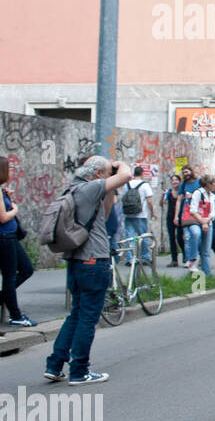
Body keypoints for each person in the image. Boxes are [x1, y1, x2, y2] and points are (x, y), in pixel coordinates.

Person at [43, 156, 131, 385]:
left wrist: (109, 181)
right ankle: (80, 371)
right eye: (106, 172)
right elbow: (127, 175)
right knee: (88, 319)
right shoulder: (90, 188)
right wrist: (118, 165)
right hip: (94, 261)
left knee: (76, 315)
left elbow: (105, 211)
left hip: (76, 261)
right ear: (99, 174)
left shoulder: (73, 188)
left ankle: (54, 365)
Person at [0, 157, 36, 327]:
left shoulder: (1, 190)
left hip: (10, 237)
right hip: (5, 238)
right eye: (10, 168)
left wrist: (9, 199)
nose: (12, 171)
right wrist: (15, 209)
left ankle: (5, 298)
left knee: (27, 269)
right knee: (9, 277)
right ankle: (16, 315)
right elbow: (3, 217)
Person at [119, 165, 154, 264]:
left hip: (129, 214)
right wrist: (152, 212)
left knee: (130, 237)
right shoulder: (145, 185)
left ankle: (130, 259)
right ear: (142, 173)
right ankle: (145, 257)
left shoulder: (127, 185)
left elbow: (124, 198)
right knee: (142, 236)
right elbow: (149, 201)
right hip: (141, 215)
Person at [183, 173, 215, 276]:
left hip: (207, 222)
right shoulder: (198, 193)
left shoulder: (212, 196)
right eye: (213, 182)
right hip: (195, 221)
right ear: (208, 184)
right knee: (196, 233)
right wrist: (203, 221)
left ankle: (206, 274)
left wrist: (207, 221)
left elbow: (213, 212)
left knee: (206, 250)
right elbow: (193, 211)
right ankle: (192, 258)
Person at [164, 174, 184, 266]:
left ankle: (185, 255)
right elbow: (162, 203)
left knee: (180, 238)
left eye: (176, 180)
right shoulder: (168, 192)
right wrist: (163, 196)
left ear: (180, 181)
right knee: (172, 238)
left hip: (181, 217)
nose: (174, 182)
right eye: (173, 180)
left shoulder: (182, 192)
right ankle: (174, 260)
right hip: (170, 217)